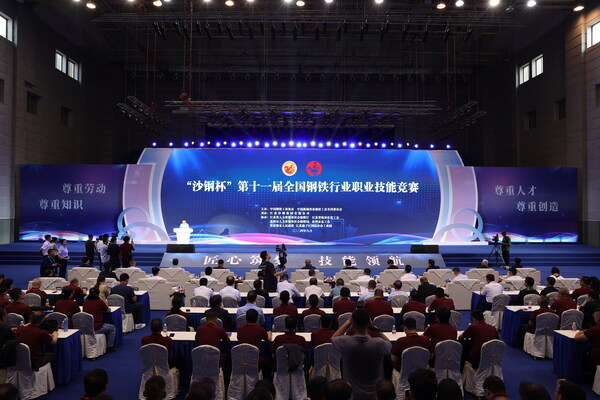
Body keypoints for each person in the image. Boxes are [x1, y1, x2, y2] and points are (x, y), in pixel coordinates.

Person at [332, 309, 391, 400]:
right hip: (375, 394)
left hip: (353, 394)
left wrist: (348, 322)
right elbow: (389, 343)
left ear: (353, 325)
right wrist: (374, 327)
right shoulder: (379, 344)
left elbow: (333, 338)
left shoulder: (346, 342)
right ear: (369, 323)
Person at [237, 308, 271, 376]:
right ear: (257, 319)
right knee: (269, 360)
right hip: (256, 359)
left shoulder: (240, 329)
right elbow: (268, 340)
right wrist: (269, 333)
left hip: (242, 358)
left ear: (246, 318)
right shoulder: (260, 330)